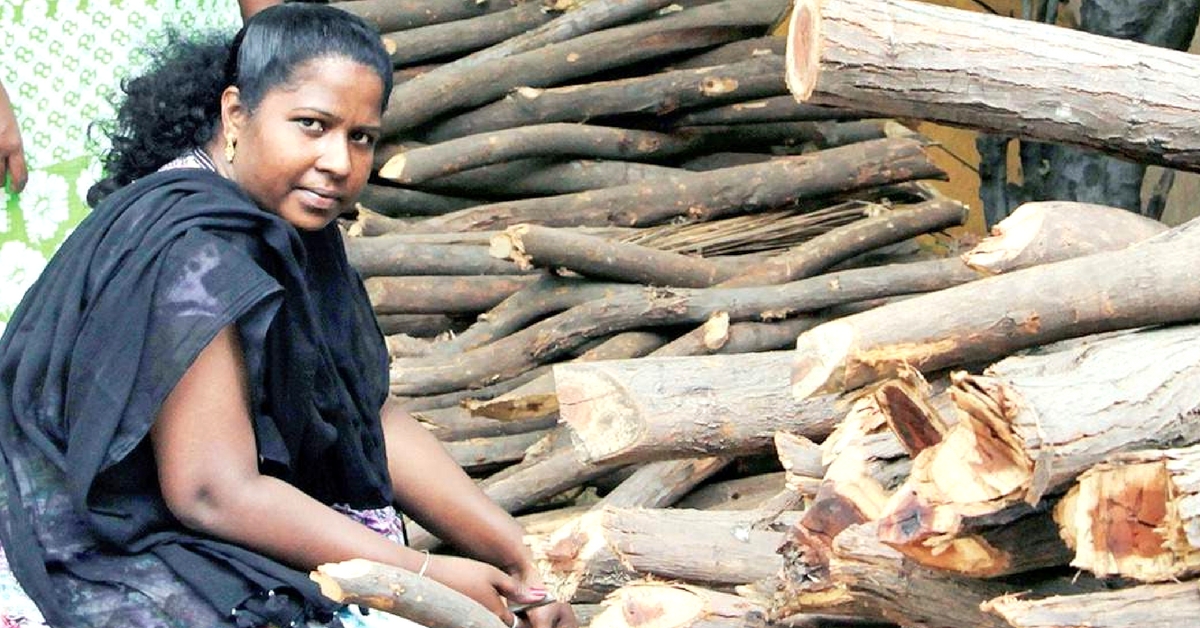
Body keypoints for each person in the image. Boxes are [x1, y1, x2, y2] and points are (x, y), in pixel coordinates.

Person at [0, 5, 577, 628]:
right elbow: (210, 493)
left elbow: (369, 412)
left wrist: (519, 559)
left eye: (361, 136)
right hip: (90, 540)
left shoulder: (286, 215)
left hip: (200, 510)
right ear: (235, 114)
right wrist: (426, 579)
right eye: (312, 125)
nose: (339, 161)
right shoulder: (190, 247)